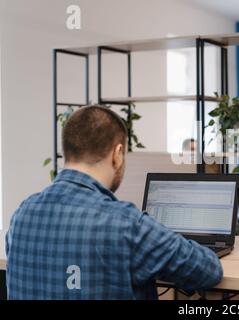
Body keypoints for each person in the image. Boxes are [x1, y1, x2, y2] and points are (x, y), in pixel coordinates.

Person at [6, 106, 222, 300]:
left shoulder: (21, 216)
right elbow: (208, 270)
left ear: (66, 152)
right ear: (117, 154)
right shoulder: (126, 224)